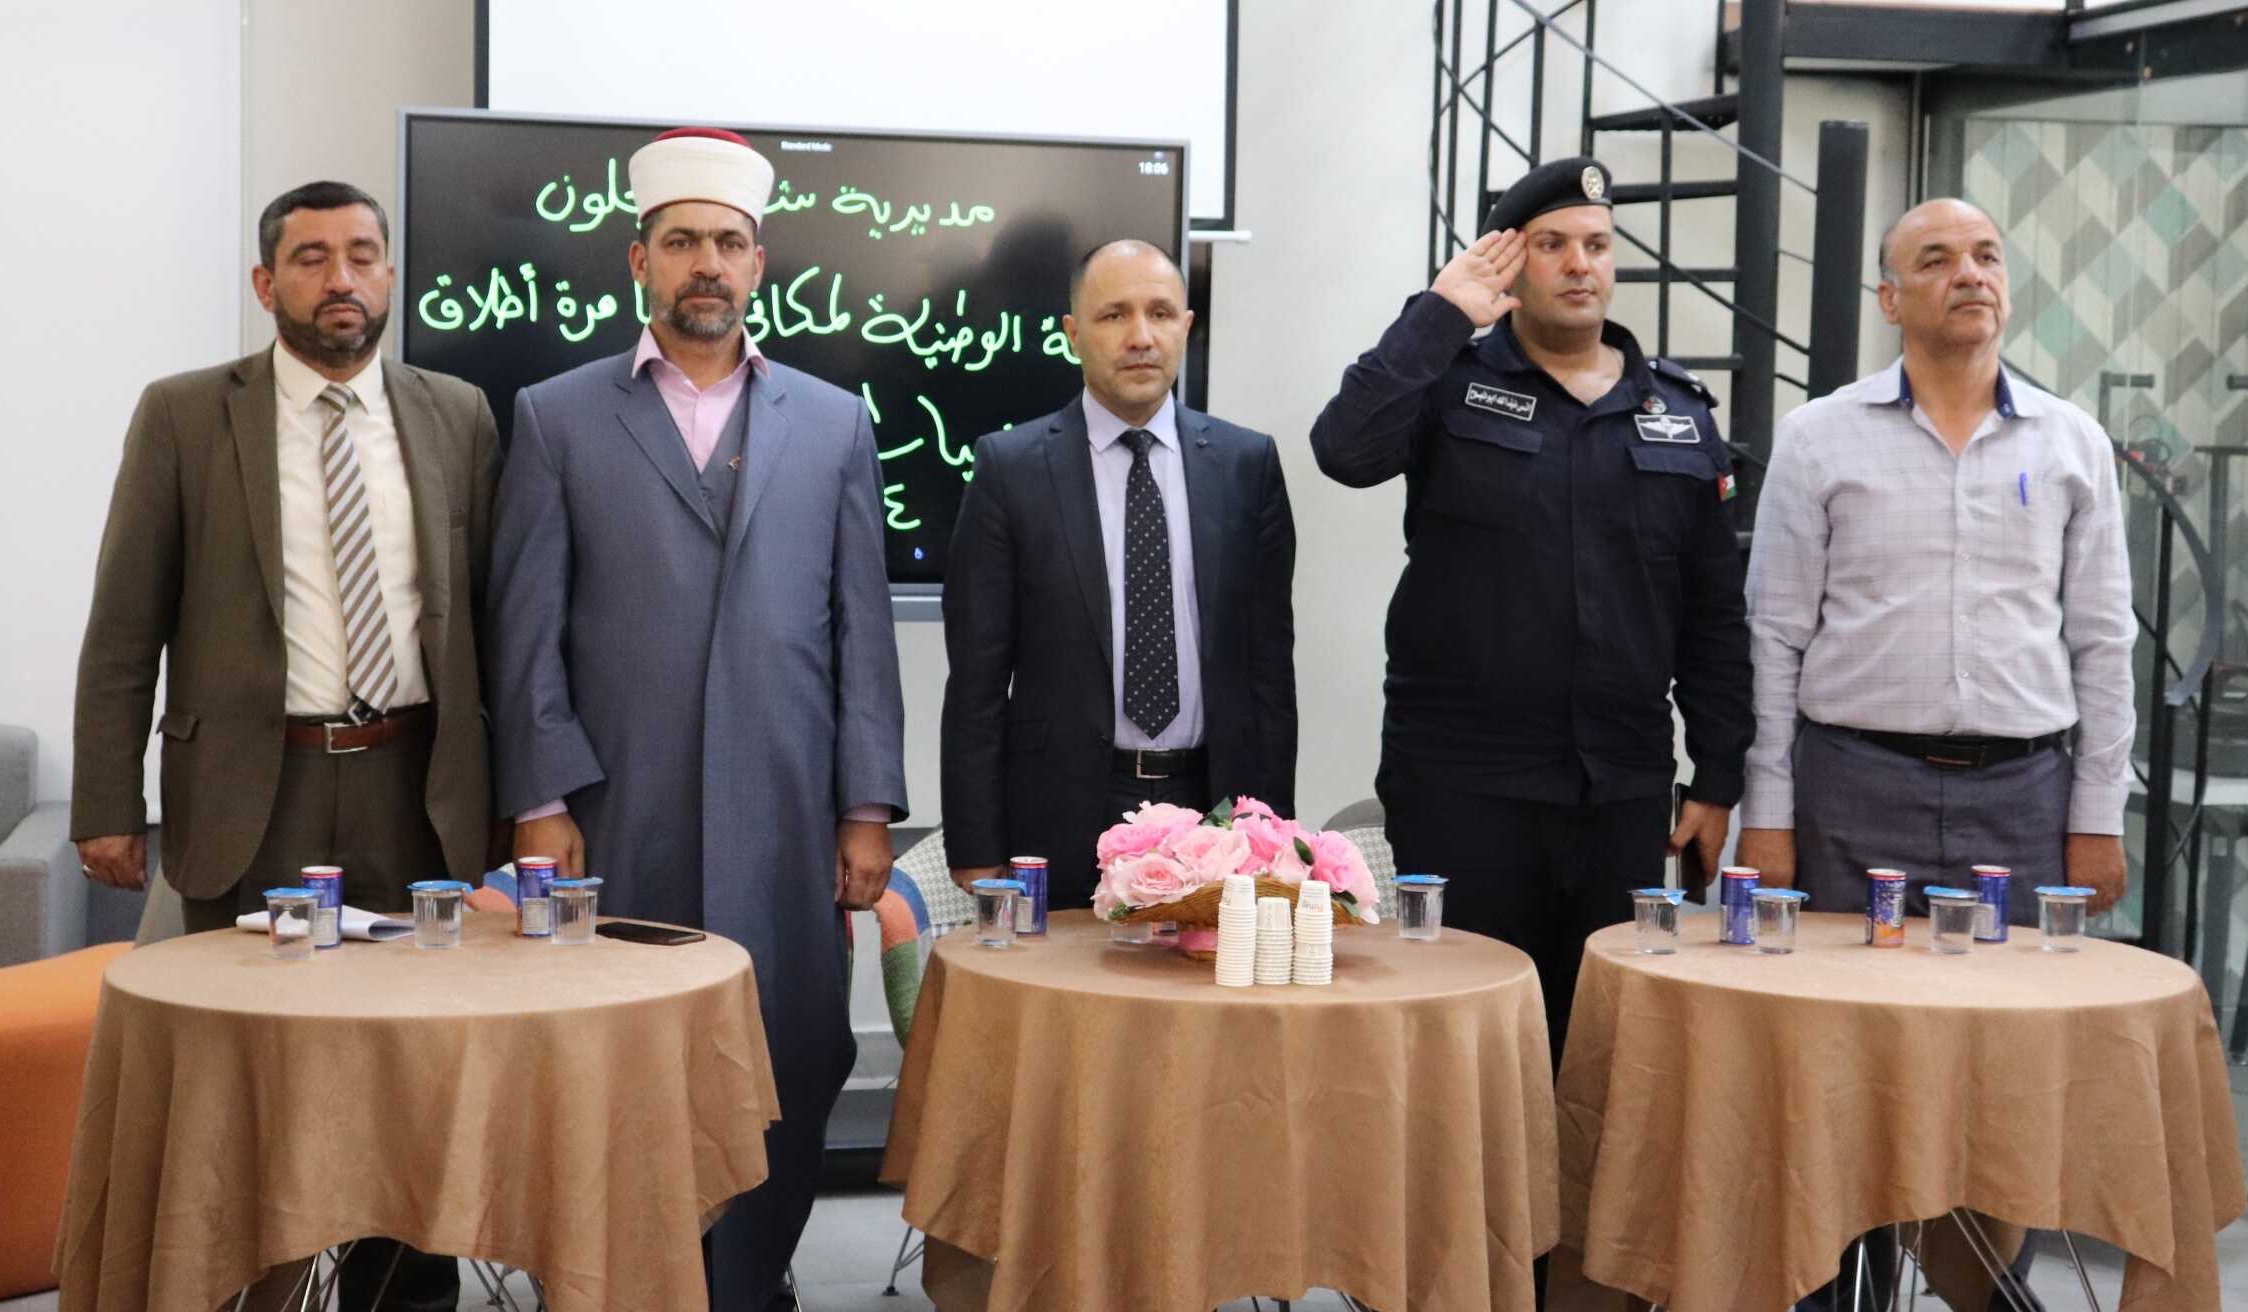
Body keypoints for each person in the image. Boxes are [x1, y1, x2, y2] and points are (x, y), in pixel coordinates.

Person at [488, 127, 906, 1312]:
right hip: (622, 809)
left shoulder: (833, 420)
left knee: (794, 1050)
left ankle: (752, 1282)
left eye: (727, 242)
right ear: (641, 261)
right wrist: (540, 799)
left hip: (788, 809)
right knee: (621, 1059)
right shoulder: (557, 416)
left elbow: (862, 630)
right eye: (681, 242)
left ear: (759, 264)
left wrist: (867, 805)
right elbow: (527, 627)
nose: (706, 263)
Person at [72, 178, 498, 1312]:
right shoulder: (184, 414)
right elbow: (124, 626)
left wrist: (513, 799)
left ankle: (405, 1296)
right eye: (311, 258)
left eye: (362, 254)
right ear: (266, 284)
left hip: (416, 790)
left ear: (391, 274)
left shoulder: (458, 414)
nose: (340, 278)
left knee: (413, 1073)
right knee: (250, 1079)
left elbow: (491, 621)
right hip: (253, 793)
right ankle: (249, 1289)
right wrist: (104, 801)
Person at [1739, 196, 2134, 1312]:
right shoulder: (1821, 437)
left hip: (2024, 799)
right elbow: (1773, 636)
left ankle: (1982, 1293)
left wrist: (2096, 815)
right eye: (1937, 258)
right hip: (1851, 789)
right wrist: (1769, 811)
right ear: (1890, 298)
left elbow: (2105, 641)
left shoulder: (2071, 443)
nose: (1970, 273)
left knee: (2002, 1081)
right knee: (1833, 1069)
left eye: (1986, 255)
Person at [1309, 157, 1750, 1060]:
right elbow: (1344, 449)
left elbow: (1712, 615)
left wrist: (1717, 777)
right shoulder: (1447, 381)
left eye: (1597, 245)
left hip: (1620, 791)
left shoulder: (1680, 413)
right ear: (1510, 262)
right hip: (1465, 787)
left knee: (1607, 1042)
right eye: (1551, 245)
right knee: (1460, 1040)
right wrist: (1440, 314)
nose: (1580, 264)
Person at [940, 239, 1297, 905]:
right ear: (1073, 334)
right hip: (1061, 809)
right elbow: (976, 683)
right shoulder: (1010, 470)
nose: (1140, 337)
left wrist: (1271, 828)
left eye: (1160, 313)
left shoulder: (1246, 466)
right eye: (1113, 315)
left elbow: (1270, 672)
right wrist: (976, 844)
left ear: (1186, 327)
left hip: (1215, 808)